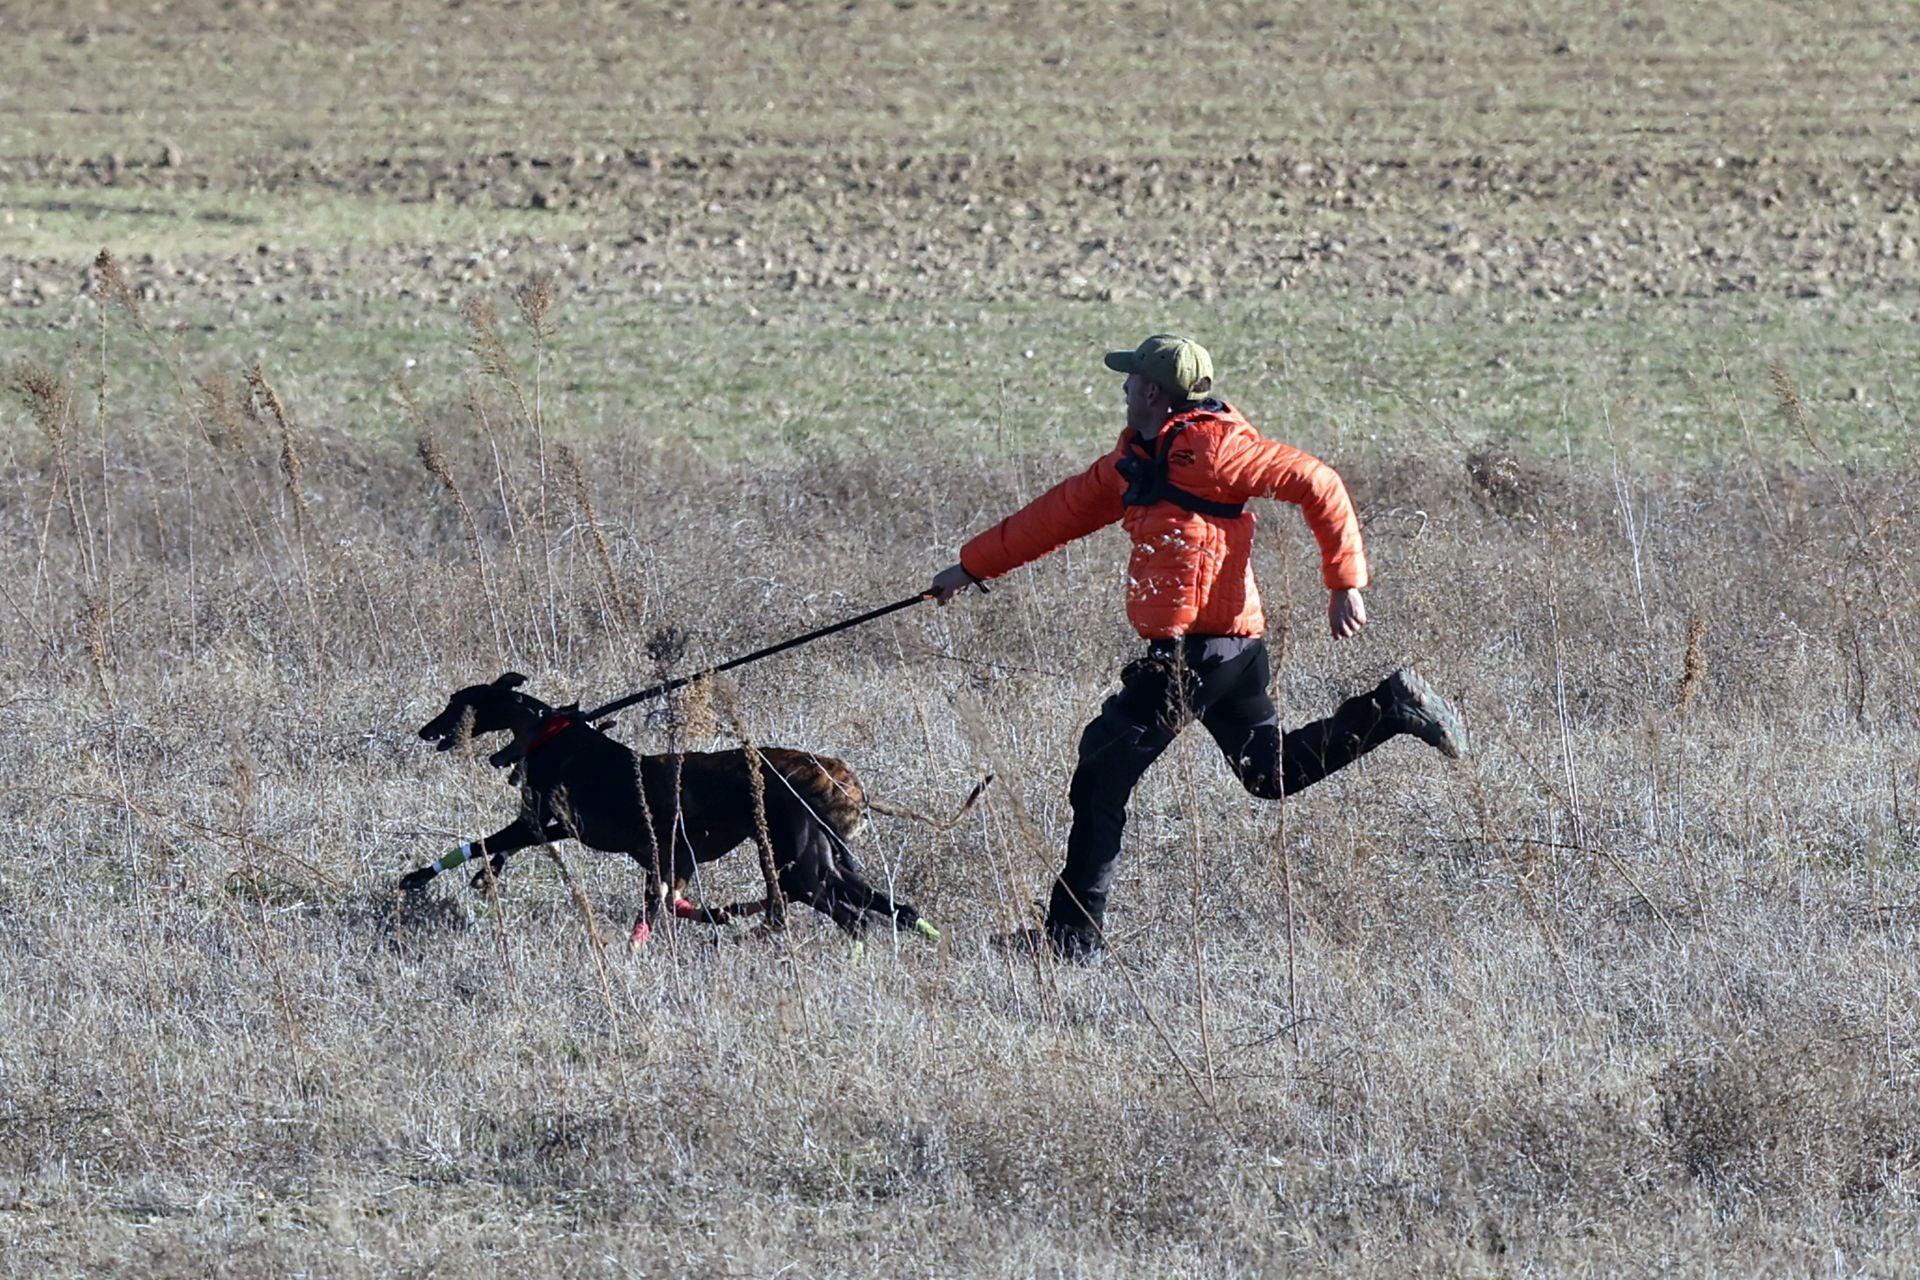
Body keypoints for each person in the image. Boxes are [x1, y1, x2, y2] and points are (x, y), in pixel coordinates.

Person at [929, 333, 1465, 961]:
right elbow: (1057, 513)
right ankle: (1390, 708)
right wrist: (969, 567)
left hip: (1195, 655)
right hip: (1232, 651)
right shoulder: (1136, 461)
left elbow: (1317, 482)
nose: (1124, 389)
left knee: (1102, 772)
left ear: (1152, 391)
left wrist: (1345, 582)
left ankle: (1071, 941)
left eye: (1130, 381)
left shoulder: (1216, 451)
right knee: (1269, 774)